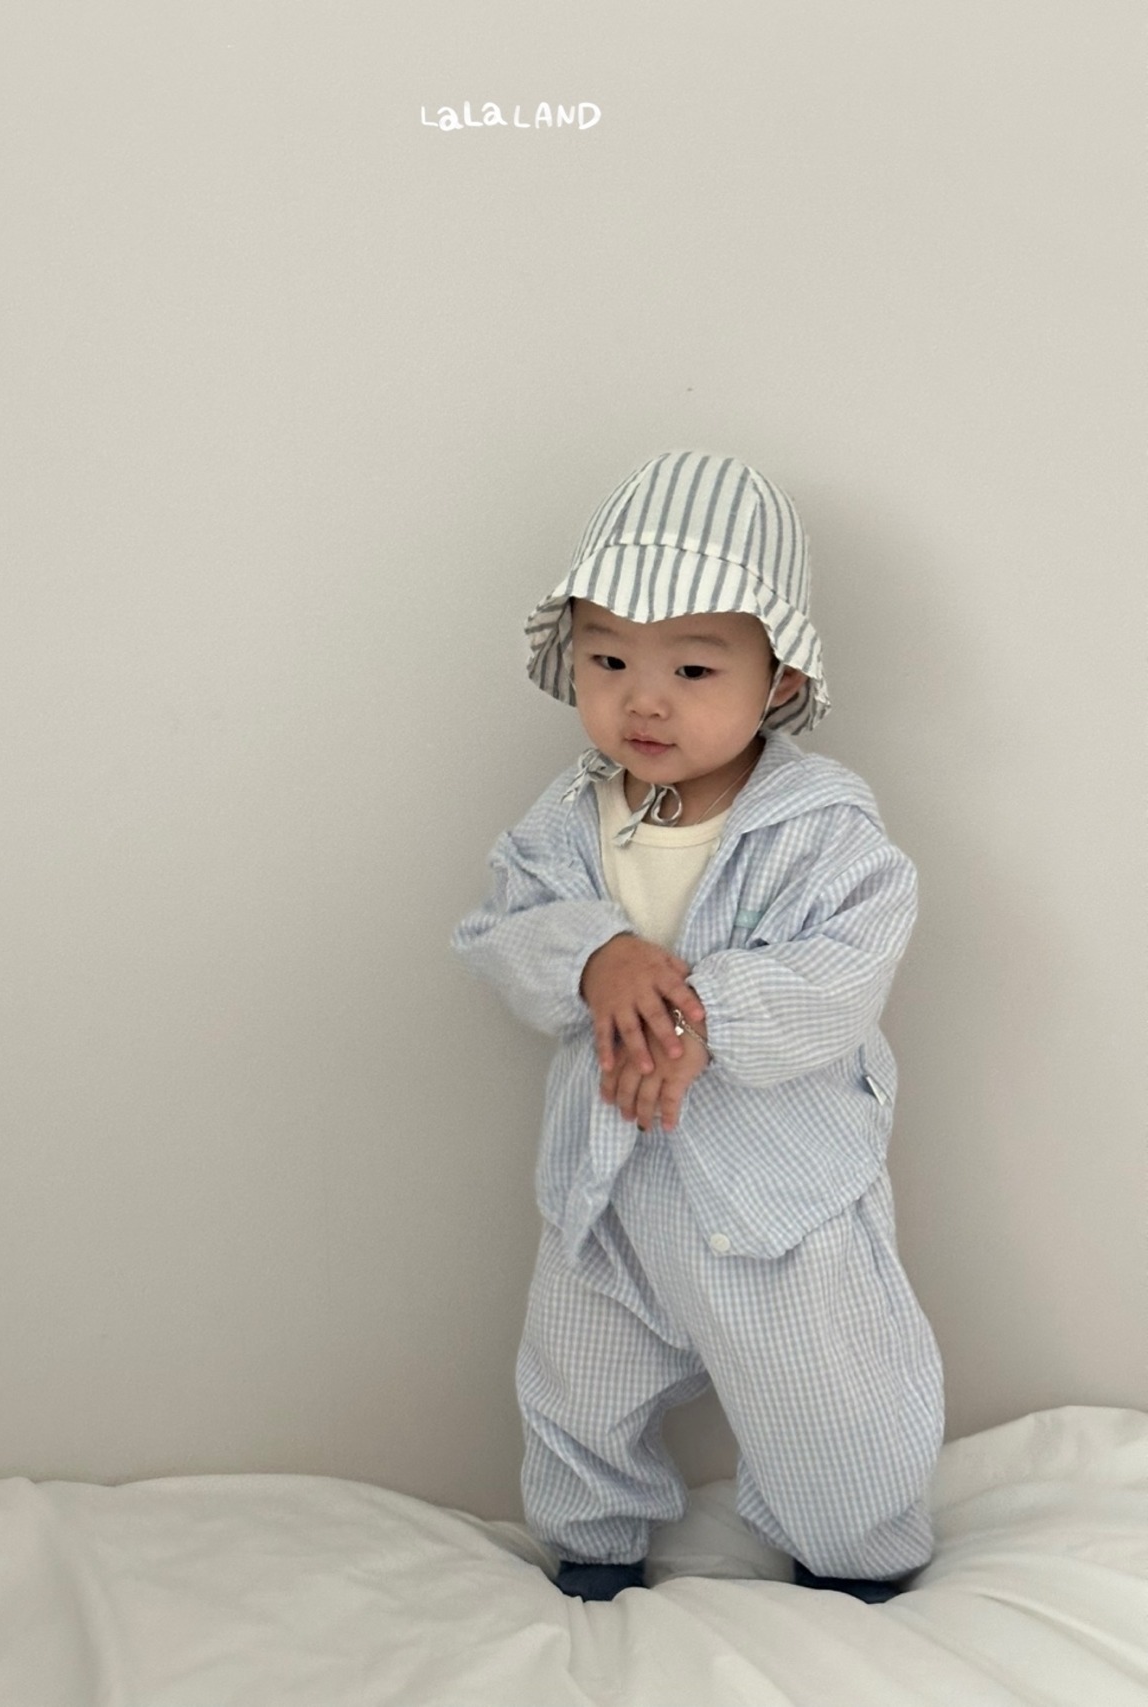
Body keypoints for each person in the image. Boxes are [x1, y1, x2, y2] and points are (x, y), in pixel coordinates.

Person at [452, 450, 944, 1604]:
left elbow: (846, 966)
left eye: (690, 666)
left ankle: (857, 1555)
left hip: (776, 1189)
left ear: (776, 680)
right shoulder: (567, 822)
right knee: (575, 1381)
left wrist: (706, 1013)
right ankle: (591, 1543)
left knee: (827, 1392)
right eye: (607, 659)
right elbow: (499, 929)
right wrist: (594, 953)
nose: (644, 699)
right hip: (607, 1181)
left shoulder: (819, 831)